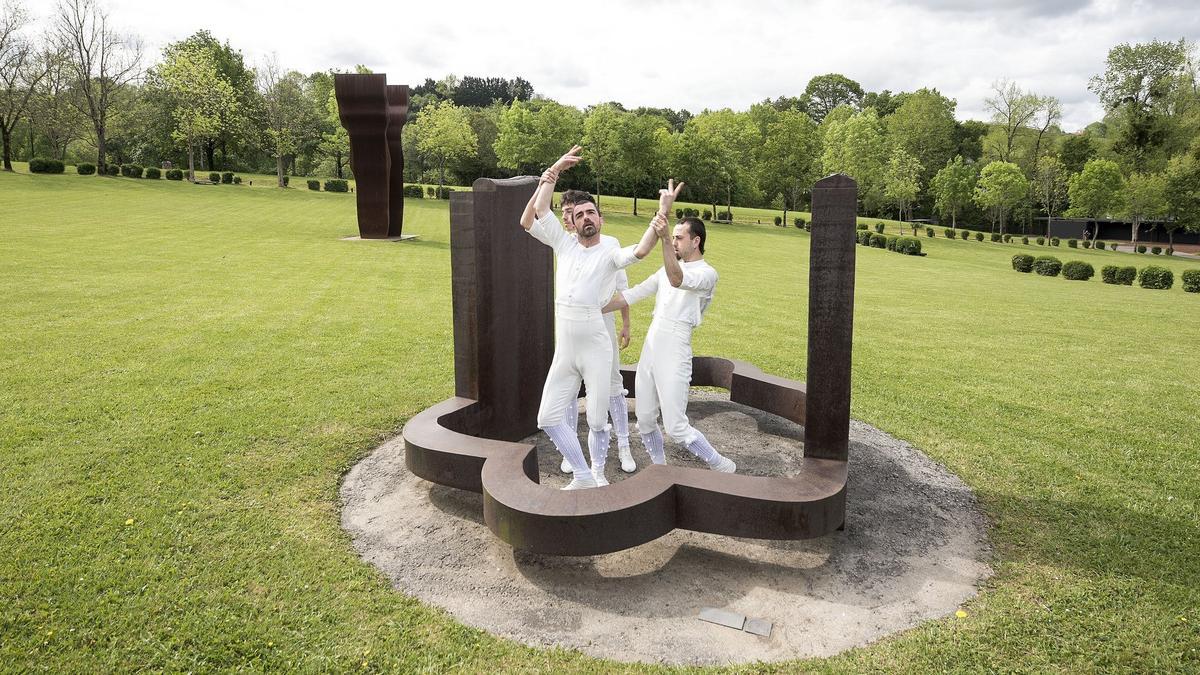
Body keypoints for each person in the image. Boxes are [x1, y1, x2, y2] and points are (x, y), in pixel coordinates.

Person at [518, 146, 671, 490]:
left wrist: (659, 217)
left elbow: (641, 251)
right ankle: (583, 474)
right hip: (566, 349)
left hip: (596, 347)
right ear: (572, 222)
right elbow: (539, 209)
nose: (586, 217)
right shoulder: (564, 245)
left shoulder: (609, 253)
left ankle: (597, 474)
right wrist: (554, 169)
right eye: (580, 214)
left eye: (591, 213)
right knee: (547, 417)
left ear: (600, 220)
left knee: (598, 420)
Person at [604, 201, 734, 473]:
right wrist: (592, 308)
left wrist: (663, 239)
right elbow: (632, 293)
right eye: (672, 237)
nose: (674, 241)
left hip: (676, 346)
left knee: (676, 426)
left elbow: (677, 279)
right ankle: (660, 469)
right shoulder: (666, 268)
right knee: (645, 419)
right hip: (652, 344)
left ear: (696, 241)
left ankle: (721, 465)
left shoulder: (708, 274)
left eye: (679, 238)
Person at [555, 189, 636, 476]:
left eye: (571, 212)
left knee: (612, 384)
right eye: (565, 213)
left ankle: (624, 444)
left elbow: (622, 288)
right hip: (570, 327)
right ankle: (571, 450)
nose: (566, 218)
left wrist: (626, 324)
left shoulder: (609, 244)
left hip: (602, 325)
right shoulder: (564, 244)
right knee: (568, 387)